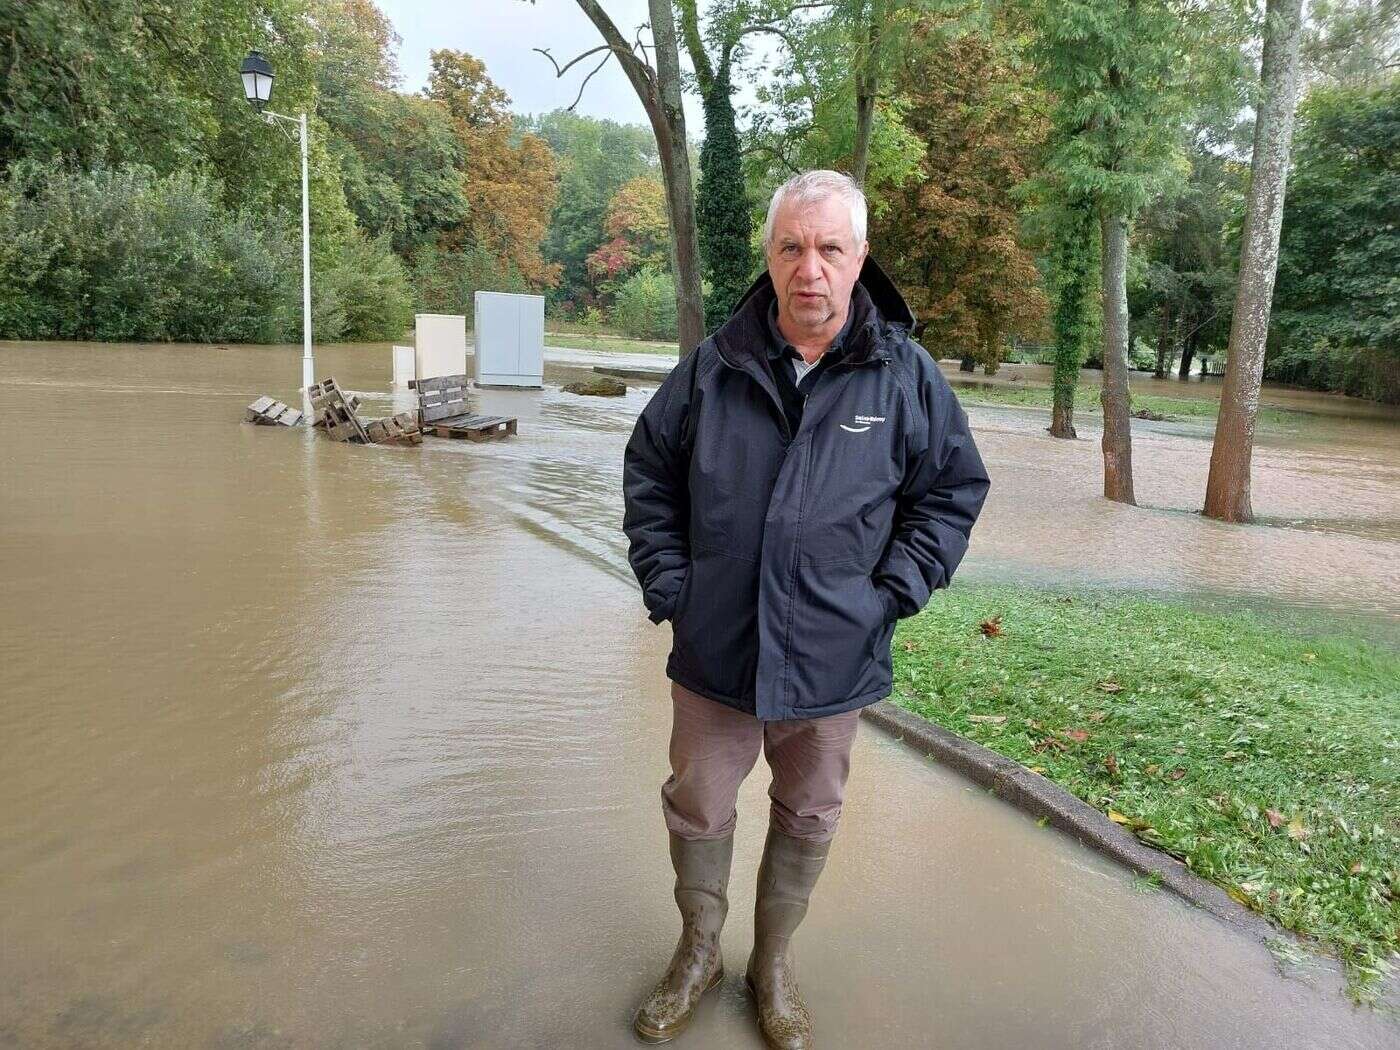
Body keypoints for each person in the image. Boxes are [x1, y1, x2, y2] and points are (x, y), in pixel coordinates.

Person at [621, 169, 991, 1048]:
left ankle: (773, 965)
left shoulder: (905, 375)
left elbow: (952, 490)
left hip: (834, 660)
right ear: (771, 257)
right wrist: (675, 588)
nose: (810, 268)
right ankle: (699, 950)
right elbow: (649, 475)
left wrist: (895, 591)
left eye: (829, 248)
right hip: (716, 657)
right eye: (792, 247)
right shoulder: (714, 367)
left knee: (810, 814)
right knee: (699, 807)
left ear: (860, 257)